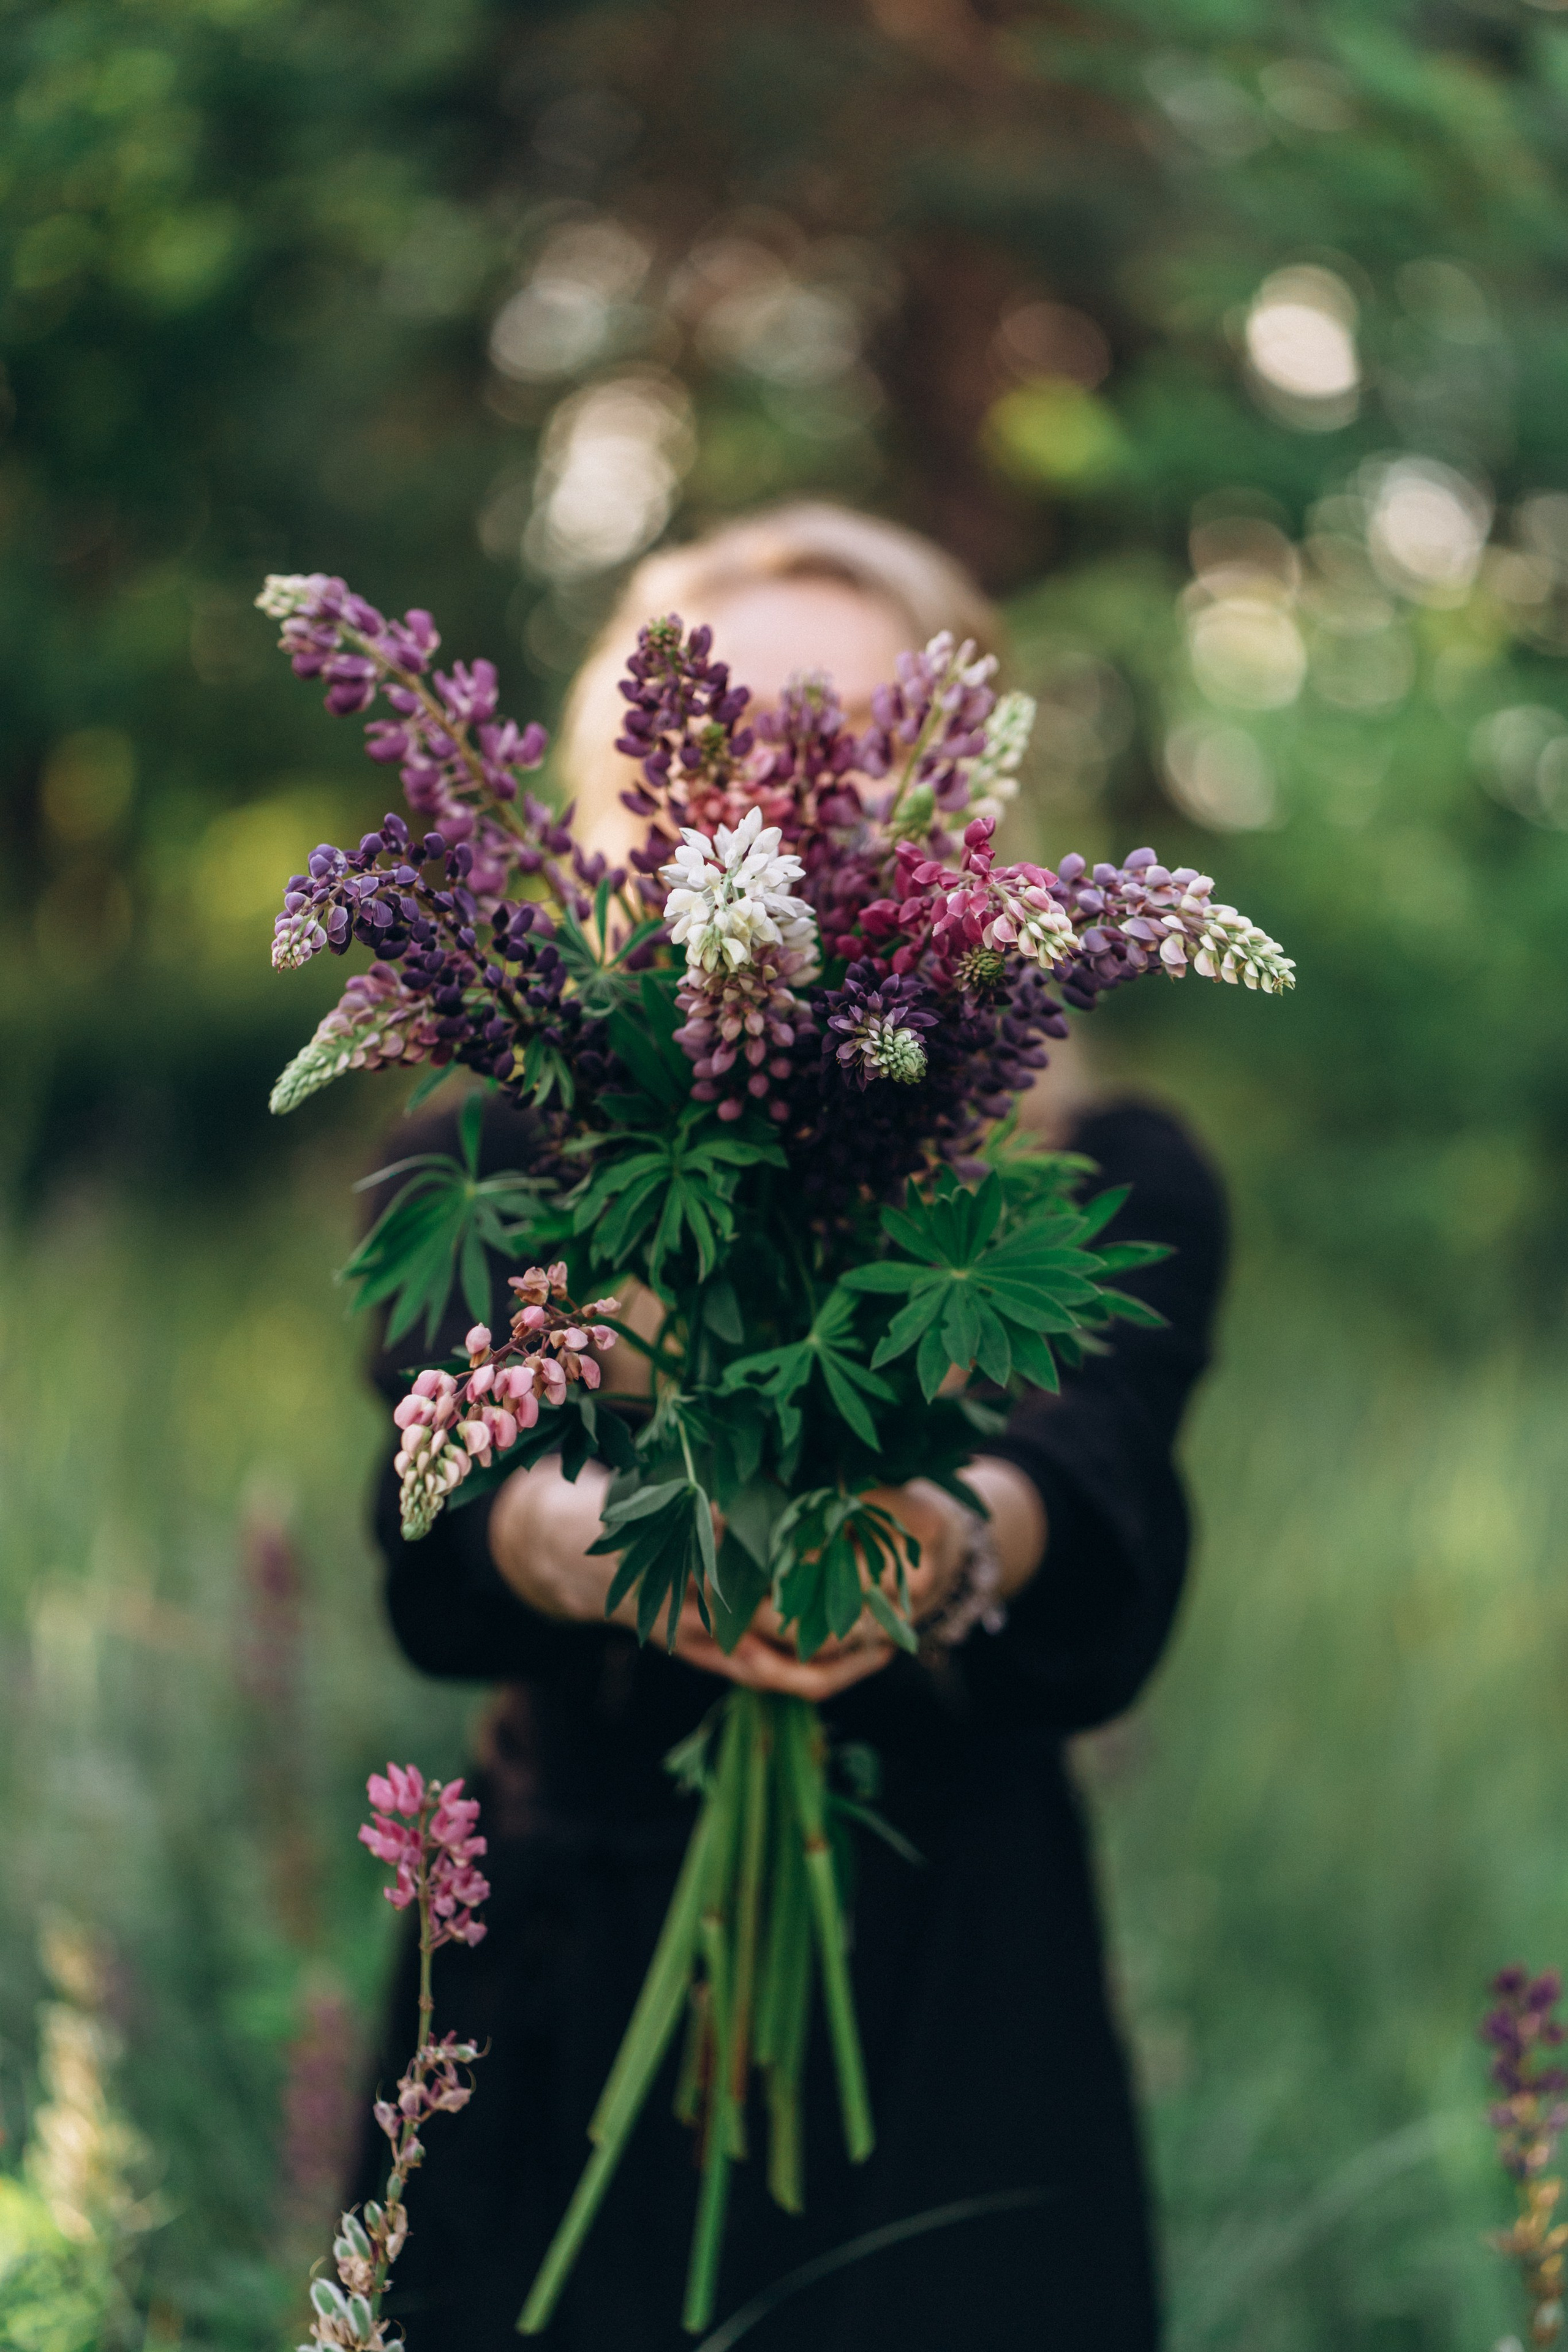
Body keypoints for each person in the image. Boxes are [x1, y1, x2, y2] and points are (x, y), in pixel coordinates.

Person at [354, 502, 1227, 2352]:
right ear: (615, 795)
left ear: (958, 799)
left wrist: (960, 1537)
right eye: (728, 737)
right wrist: (573, 1545)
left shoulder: (1100, 1170)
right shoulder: (493, 1147)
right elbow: (436, 1486)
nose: (782, 792)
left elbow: (1102, 1467)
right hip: (560, 1962)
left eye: (845, 736)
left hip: (959, 1986)